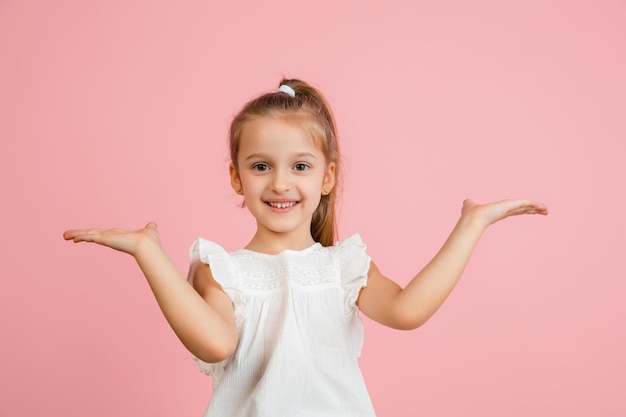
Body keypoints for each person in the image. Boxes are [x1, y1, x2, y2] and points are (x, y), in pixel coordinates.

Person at [63, 78, 548, 417]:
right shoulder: (222, 270)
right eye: (260, 166)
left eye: (300, 166)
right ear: (236, 176)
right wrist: (150, 253)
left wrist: (472, 224)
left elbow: (408, 310)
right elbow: (216, 343)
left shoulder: (343, 267)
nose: (280, 183)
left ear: (327, 176)